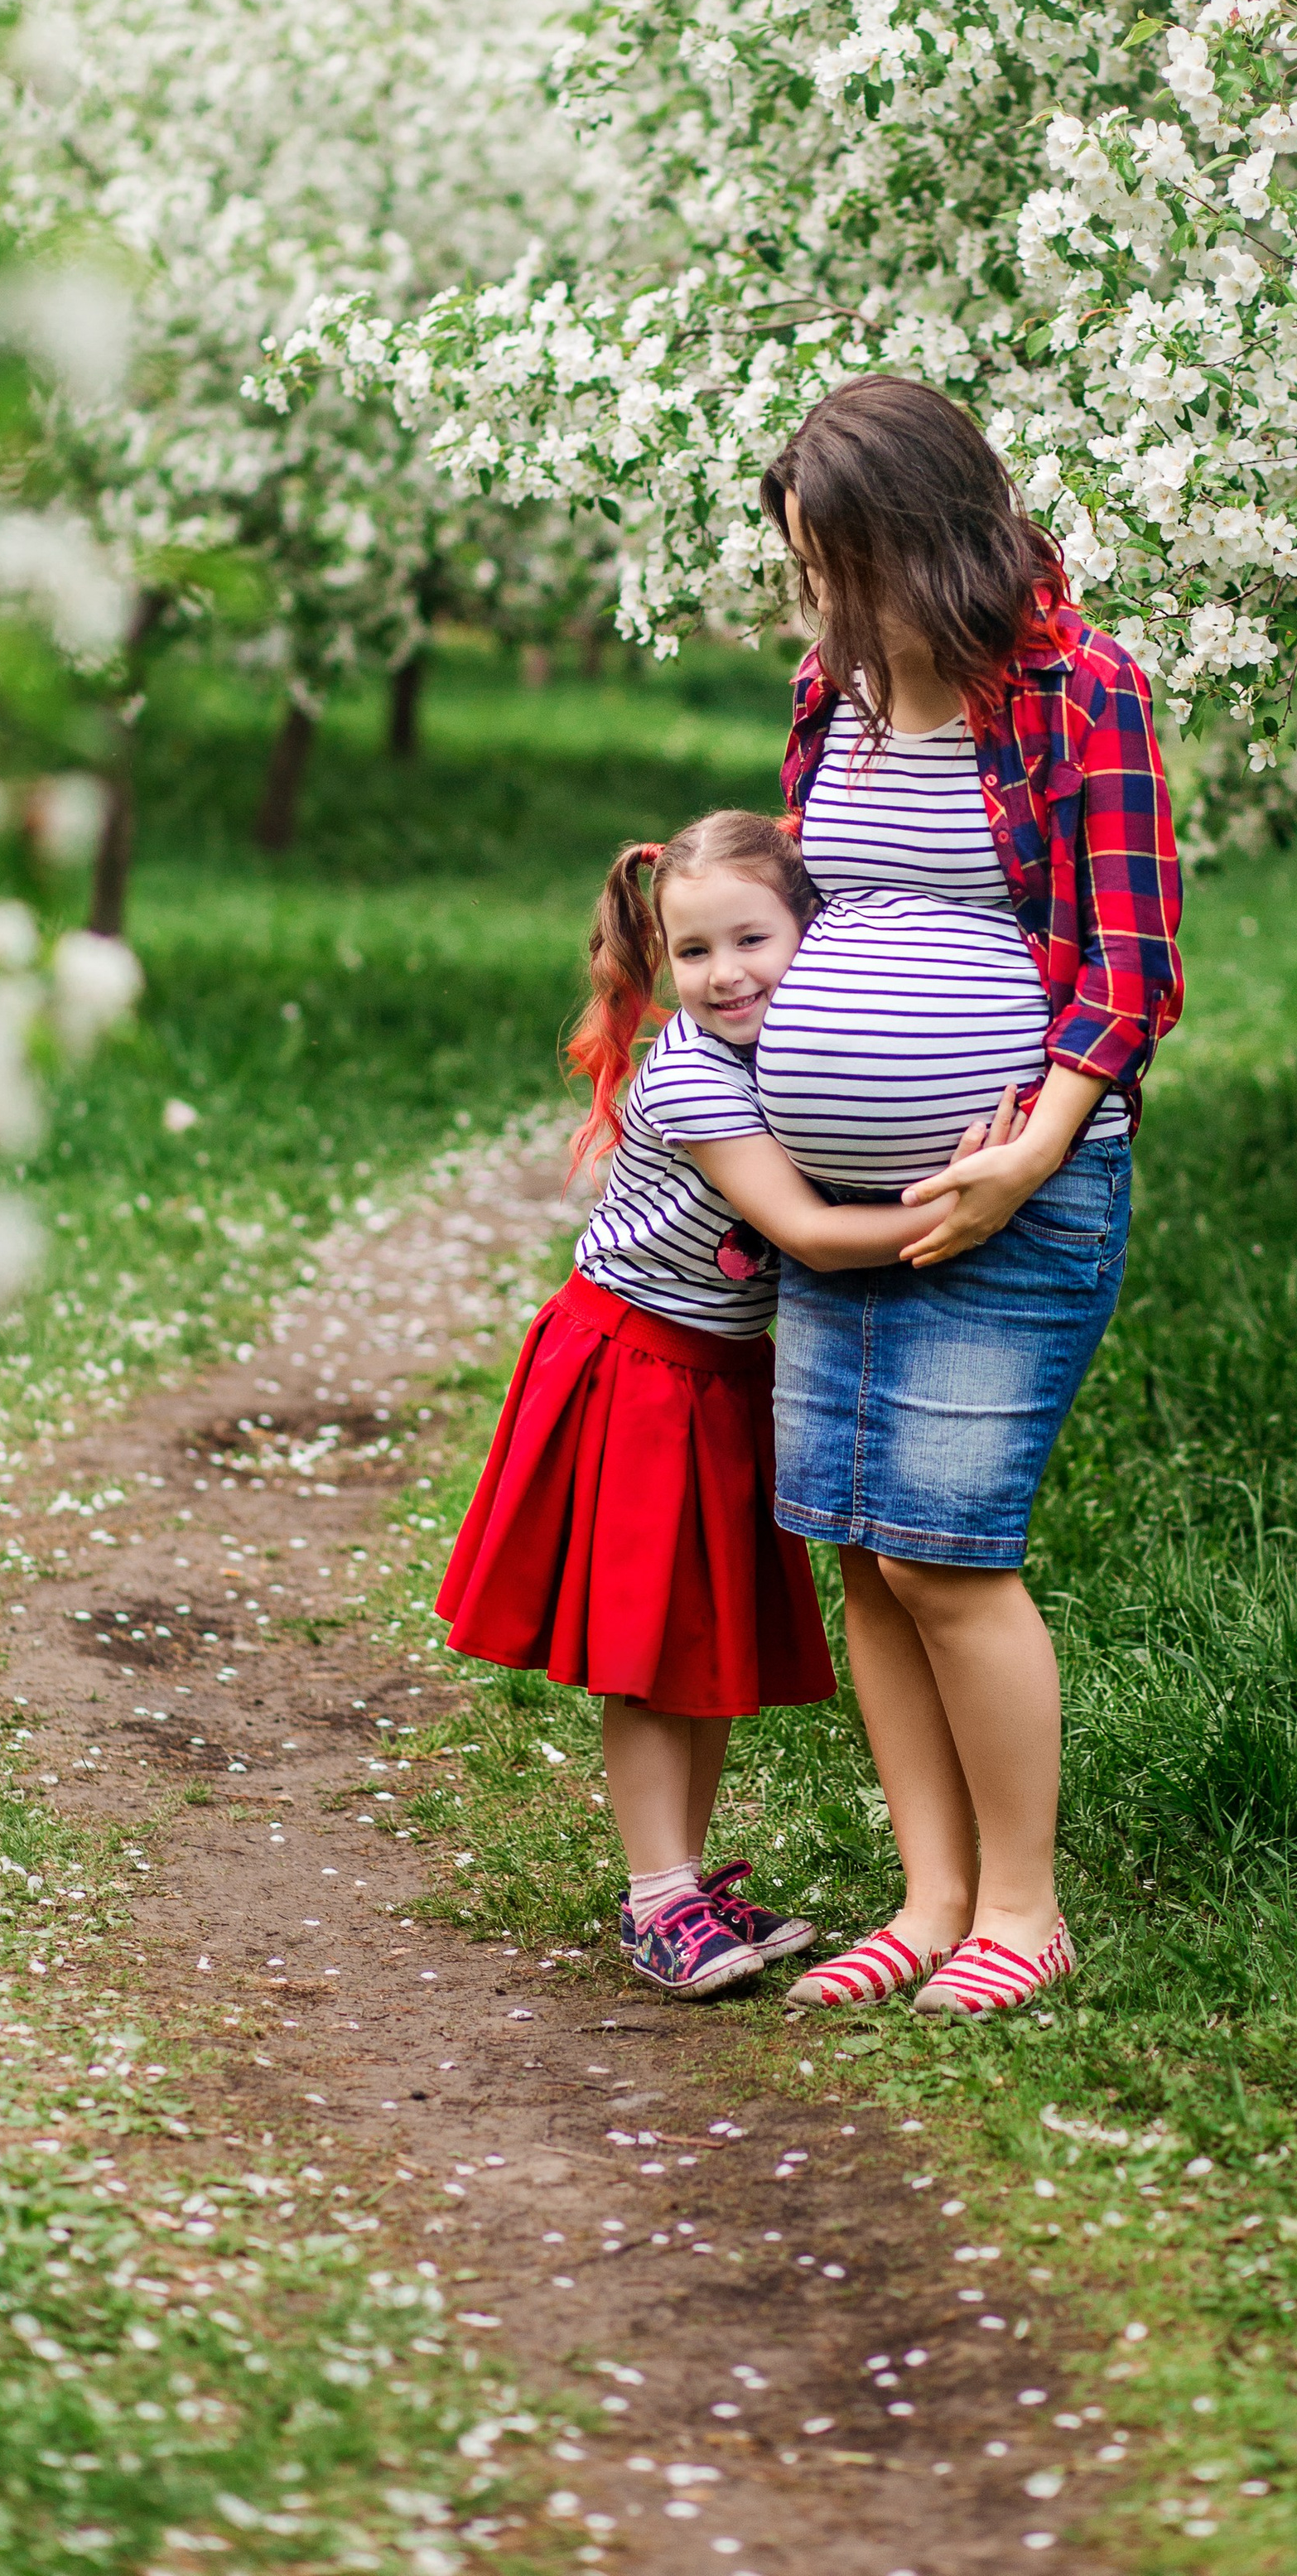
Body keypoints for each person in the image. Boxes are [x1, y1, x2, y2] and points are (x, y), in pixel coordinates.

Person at [755, 377, 1184, 2019]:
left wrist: (1028, 1150)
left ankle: (1023, 1906)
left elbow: (1131, 970)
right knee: (863, 1550)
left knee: (948, 1551)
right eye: (807, 572)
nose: (818, 606)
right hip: (838, 1202)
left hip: (1017, 1193)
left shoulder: (1080, 694)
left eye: (836, 568)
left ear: (921, 545)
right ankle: (927, 1898)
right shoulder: (830, 697)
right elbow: (823, 912)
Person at [436, 808, 1014, 1998]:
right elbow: (804, 1229)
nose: (725, 974)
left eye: (753, 939)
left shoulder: (797, 1049)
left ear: (818, 932)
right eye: (693, 954)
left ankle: (683, 1887)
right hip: (637, 1366)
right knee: (647, 1655)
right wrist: (978, 1200)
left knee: (689, 1639)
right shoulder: (698, 1076)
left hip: (714, 1371)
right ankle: (657, 1897)